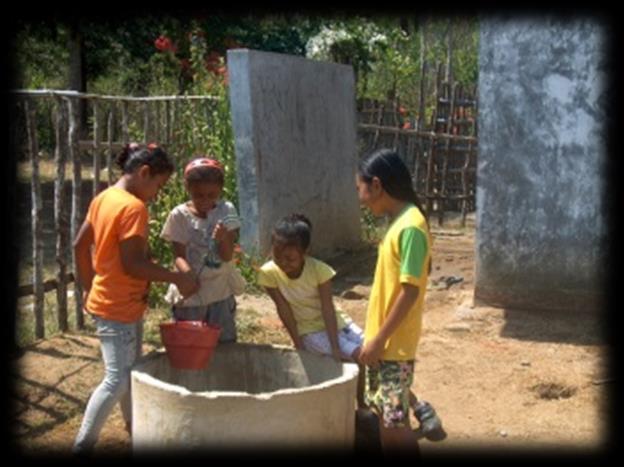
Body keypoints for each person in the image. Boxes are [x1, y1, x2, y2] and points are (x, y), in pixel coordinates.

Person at [72, 143, 200, 454]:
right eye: (157, 185)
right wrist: (176, 277)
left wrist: (90, 287)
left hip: (118, 302)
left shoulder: (104, 198)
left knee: (130, 372)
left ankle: (134, 431)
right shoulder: (132, 208)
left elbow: (79, 245)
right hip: (118, 307)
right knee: (117, 379)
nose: (156, 194)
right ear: (144, 173)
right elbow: (132, 264)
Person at [355, 148, 444, 452]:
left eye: (360, 189)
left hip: (393, 345)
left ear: (376, 185)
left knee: (394, 428)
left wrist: (379, 340)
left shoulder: (411, 227)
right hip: (385, 344)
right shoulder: (399, 224)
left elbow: (410, 292)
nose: (361, 198)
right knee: (387, 421)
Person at [257, 213, 367, 408]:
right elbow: (283, 309)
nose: (283, 263)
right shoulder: (268, 274)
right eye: (277, 256)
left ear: (305, 252)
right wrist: (298, 341)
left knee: (367, 353)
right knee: (356, 356)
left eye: (290, 258)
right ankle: (357, 407)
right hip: (309, 331)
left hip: (337, 322)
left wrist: (335, 346)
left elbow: (327, 308)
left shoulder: (320, 270)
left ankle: (362, 403)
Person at [160, 156, 245, 343]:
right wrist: (188, 275)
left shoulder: (227, 210)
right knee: (192, 345)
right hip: (191, 294)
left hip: (219, 292)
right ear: (187, 188)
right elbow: (178, 256)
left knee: (224, 346)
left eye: (212, 195)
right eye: (198, 195)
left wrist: (223, 238)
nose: (205, 200)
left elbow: (227, 255)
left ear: (220, 190)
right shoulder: (179, 215)